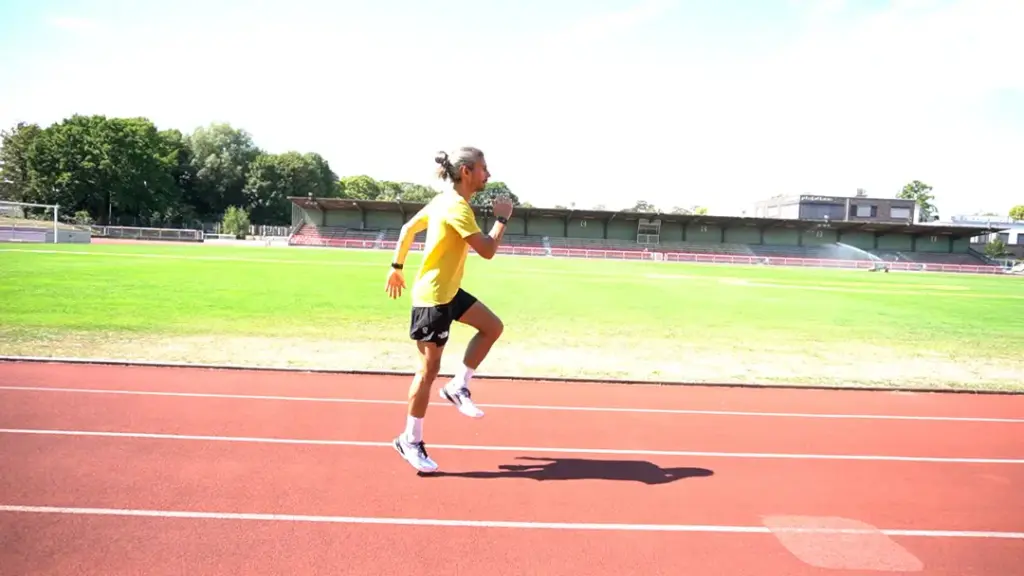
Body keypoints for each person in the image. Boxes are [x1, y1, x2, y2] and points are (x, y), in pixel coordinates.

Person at [384, 146, 514, 473]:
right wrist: (501, 219)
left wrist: (396, 267)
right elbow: (487, 250)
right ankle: (409, 440)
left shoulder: (444, 200)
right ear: (467, 171)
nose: (488, 174)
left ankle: (458, 386)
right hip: (433, 299)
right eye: (483, 168)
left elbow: (407, 229)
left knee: (492, 327)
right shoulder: (456, 206)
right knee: (427, 372)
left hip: (449, 292)